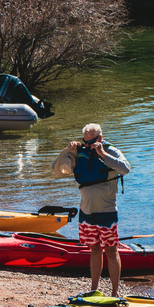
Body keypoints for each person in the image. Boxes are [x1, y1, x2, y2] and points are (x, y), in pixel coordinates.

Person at [52, 123, 131, 296]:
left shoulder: (111, 151)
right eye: (85, 141)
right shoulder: (81, 150)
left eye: (91, 142)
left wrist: (102, 153)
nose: (87, 145)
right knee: (94, 249)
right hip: (86, 212)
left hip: (107, 212)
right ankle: (94, 289)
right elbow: (57, 168)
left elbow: (126, 168)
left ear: (100, 138)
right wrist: (69, 150)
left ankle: (115, 292)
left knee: (111, 250)